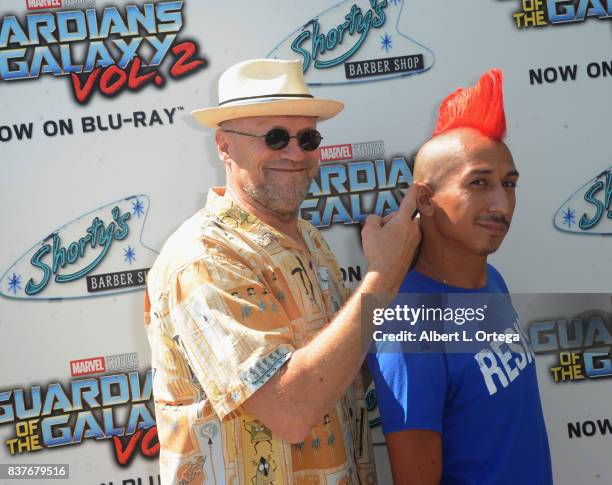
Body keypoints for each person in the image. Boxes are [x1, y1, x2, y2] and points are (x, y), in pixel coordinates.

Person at [144, 58, 421, 484]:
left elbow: (347, 366)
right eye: (274, 137)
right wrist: (383, 277)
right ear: (224, 145)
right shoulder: (203, 257)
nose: (295, 153)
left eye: (308, 138)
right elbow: (290, 411)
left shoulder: (309, 239)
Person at [368, 70, 553, 484]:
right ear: (426, 199)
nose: (501, 204)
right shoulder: (409, 325)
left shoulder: (492, 279)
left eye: (508, 184)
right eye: (479, 184)